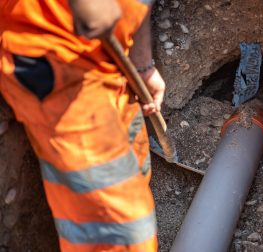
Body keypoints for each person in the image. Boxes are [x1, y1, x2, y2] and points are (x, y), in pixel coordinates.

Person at [0, 0, 165, 251]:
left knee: (135, 176)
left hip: (113, 54)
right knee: (115, 231)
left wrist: (141, 62)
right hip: (54, 57)